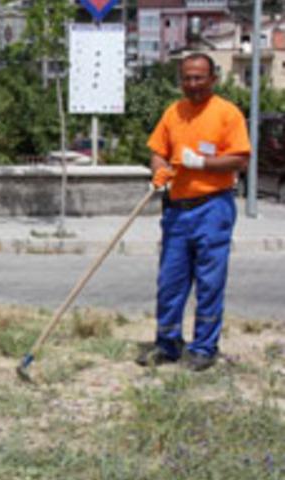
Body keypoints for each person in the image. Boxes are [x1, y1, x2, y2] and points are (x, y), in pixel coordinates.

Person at [138, 53, 250, 371]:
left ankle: (204, 347)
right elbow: (158, 151)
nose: (193, 84)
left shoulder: (227, 114)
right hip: (176, 210)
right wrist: (158, 171)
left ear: (213, 79)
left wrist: (202, 163)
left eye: (199, 77)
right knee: (170, 281)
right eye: (187, 78)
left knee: (209, 281)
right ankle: (168, 343)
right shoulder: (173, 113)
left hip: (213, 207)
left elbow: (240, 159)